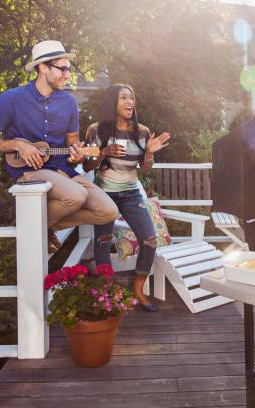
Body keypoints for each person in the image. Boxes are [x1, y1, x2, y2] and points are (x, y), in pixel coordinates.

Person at [0, 40, 118, 253]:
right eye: (62, 69)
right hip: (29, 170)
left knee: (108, 211)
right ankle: (37, 227)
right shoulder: (11, 99)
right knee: (77, 195)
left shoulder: (69, 102)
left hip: (63, 170)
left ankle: (43, 226)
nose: (67, 75)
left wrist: (78, 155)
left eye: (68, 69)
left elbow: (73, 144)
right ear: (42, 67)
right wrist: (16, 144)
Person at [83, 84, 169, 312]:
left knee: (150, 240)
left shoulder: (141, 132)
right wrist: (103, 153)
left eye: (131, 97)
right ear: (113, 102)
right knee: (102, 244)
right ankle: (109, 291)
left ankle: (138, 289)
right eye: (124, 98)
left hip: (131, 193)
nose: (130, 102)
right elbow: (86, 164)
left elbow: (144, 171)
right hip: (104, 193)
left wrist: (149, 153)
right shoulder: (97, 130)